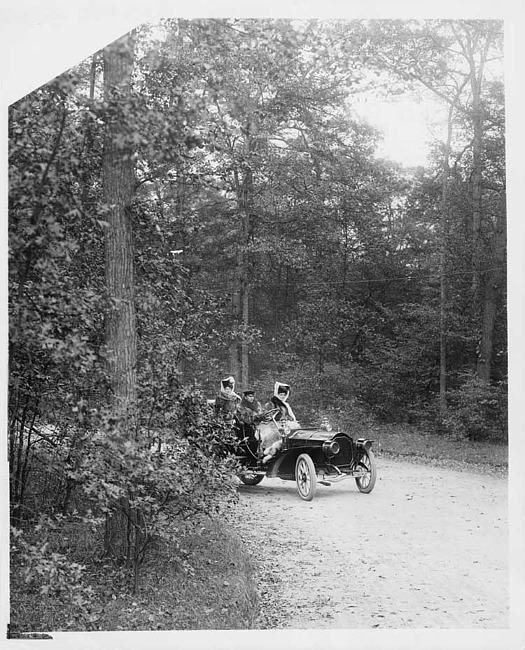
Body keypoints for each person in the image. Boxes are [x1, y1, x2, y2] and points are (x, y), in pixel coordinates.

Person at [237, 389, 263, 457]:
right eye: (250, 396)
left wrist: (264, 417)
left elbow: (261, 414)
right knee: (253, 435)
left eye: (253, 396)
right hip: (247, 427)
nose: (252, 398)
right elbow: (246, 420)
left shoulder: (257, 405)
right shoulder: (241, 406)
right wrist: (255, 417)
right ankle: (254, 455)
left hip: (259, 425)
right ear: (245, 397)